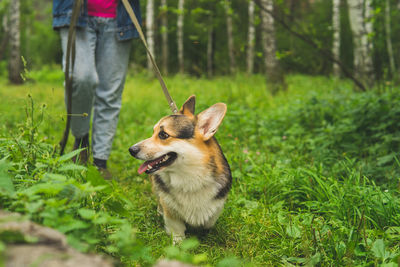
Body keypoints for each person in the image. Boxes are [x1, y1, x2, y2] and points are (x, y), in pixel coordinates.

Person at [52, 0, 141, 176]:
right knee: (80, 78)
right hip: (74, 12)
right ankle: (81, 138)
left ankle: (100, 161)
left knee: (110, 92)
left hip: (120, 17)